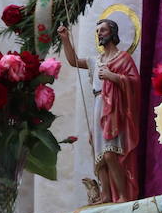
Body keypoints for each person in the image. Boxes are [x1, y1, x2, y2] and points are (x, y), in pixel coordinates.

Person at [58, 19, 140, 203]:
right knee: (99, 154)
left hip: (114, 109)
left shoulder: (123, 58)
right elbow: (73, 61)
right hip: (98, 104)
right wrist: (65, 39)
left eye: (102, 30)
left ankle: (123, 195)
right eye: (97, 31)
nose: (99, 33)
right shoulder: (96, 61)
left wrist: (113, 77)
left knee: (111, 154)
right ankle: (106, 194)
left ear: (113, 32)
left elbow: (134, 82)